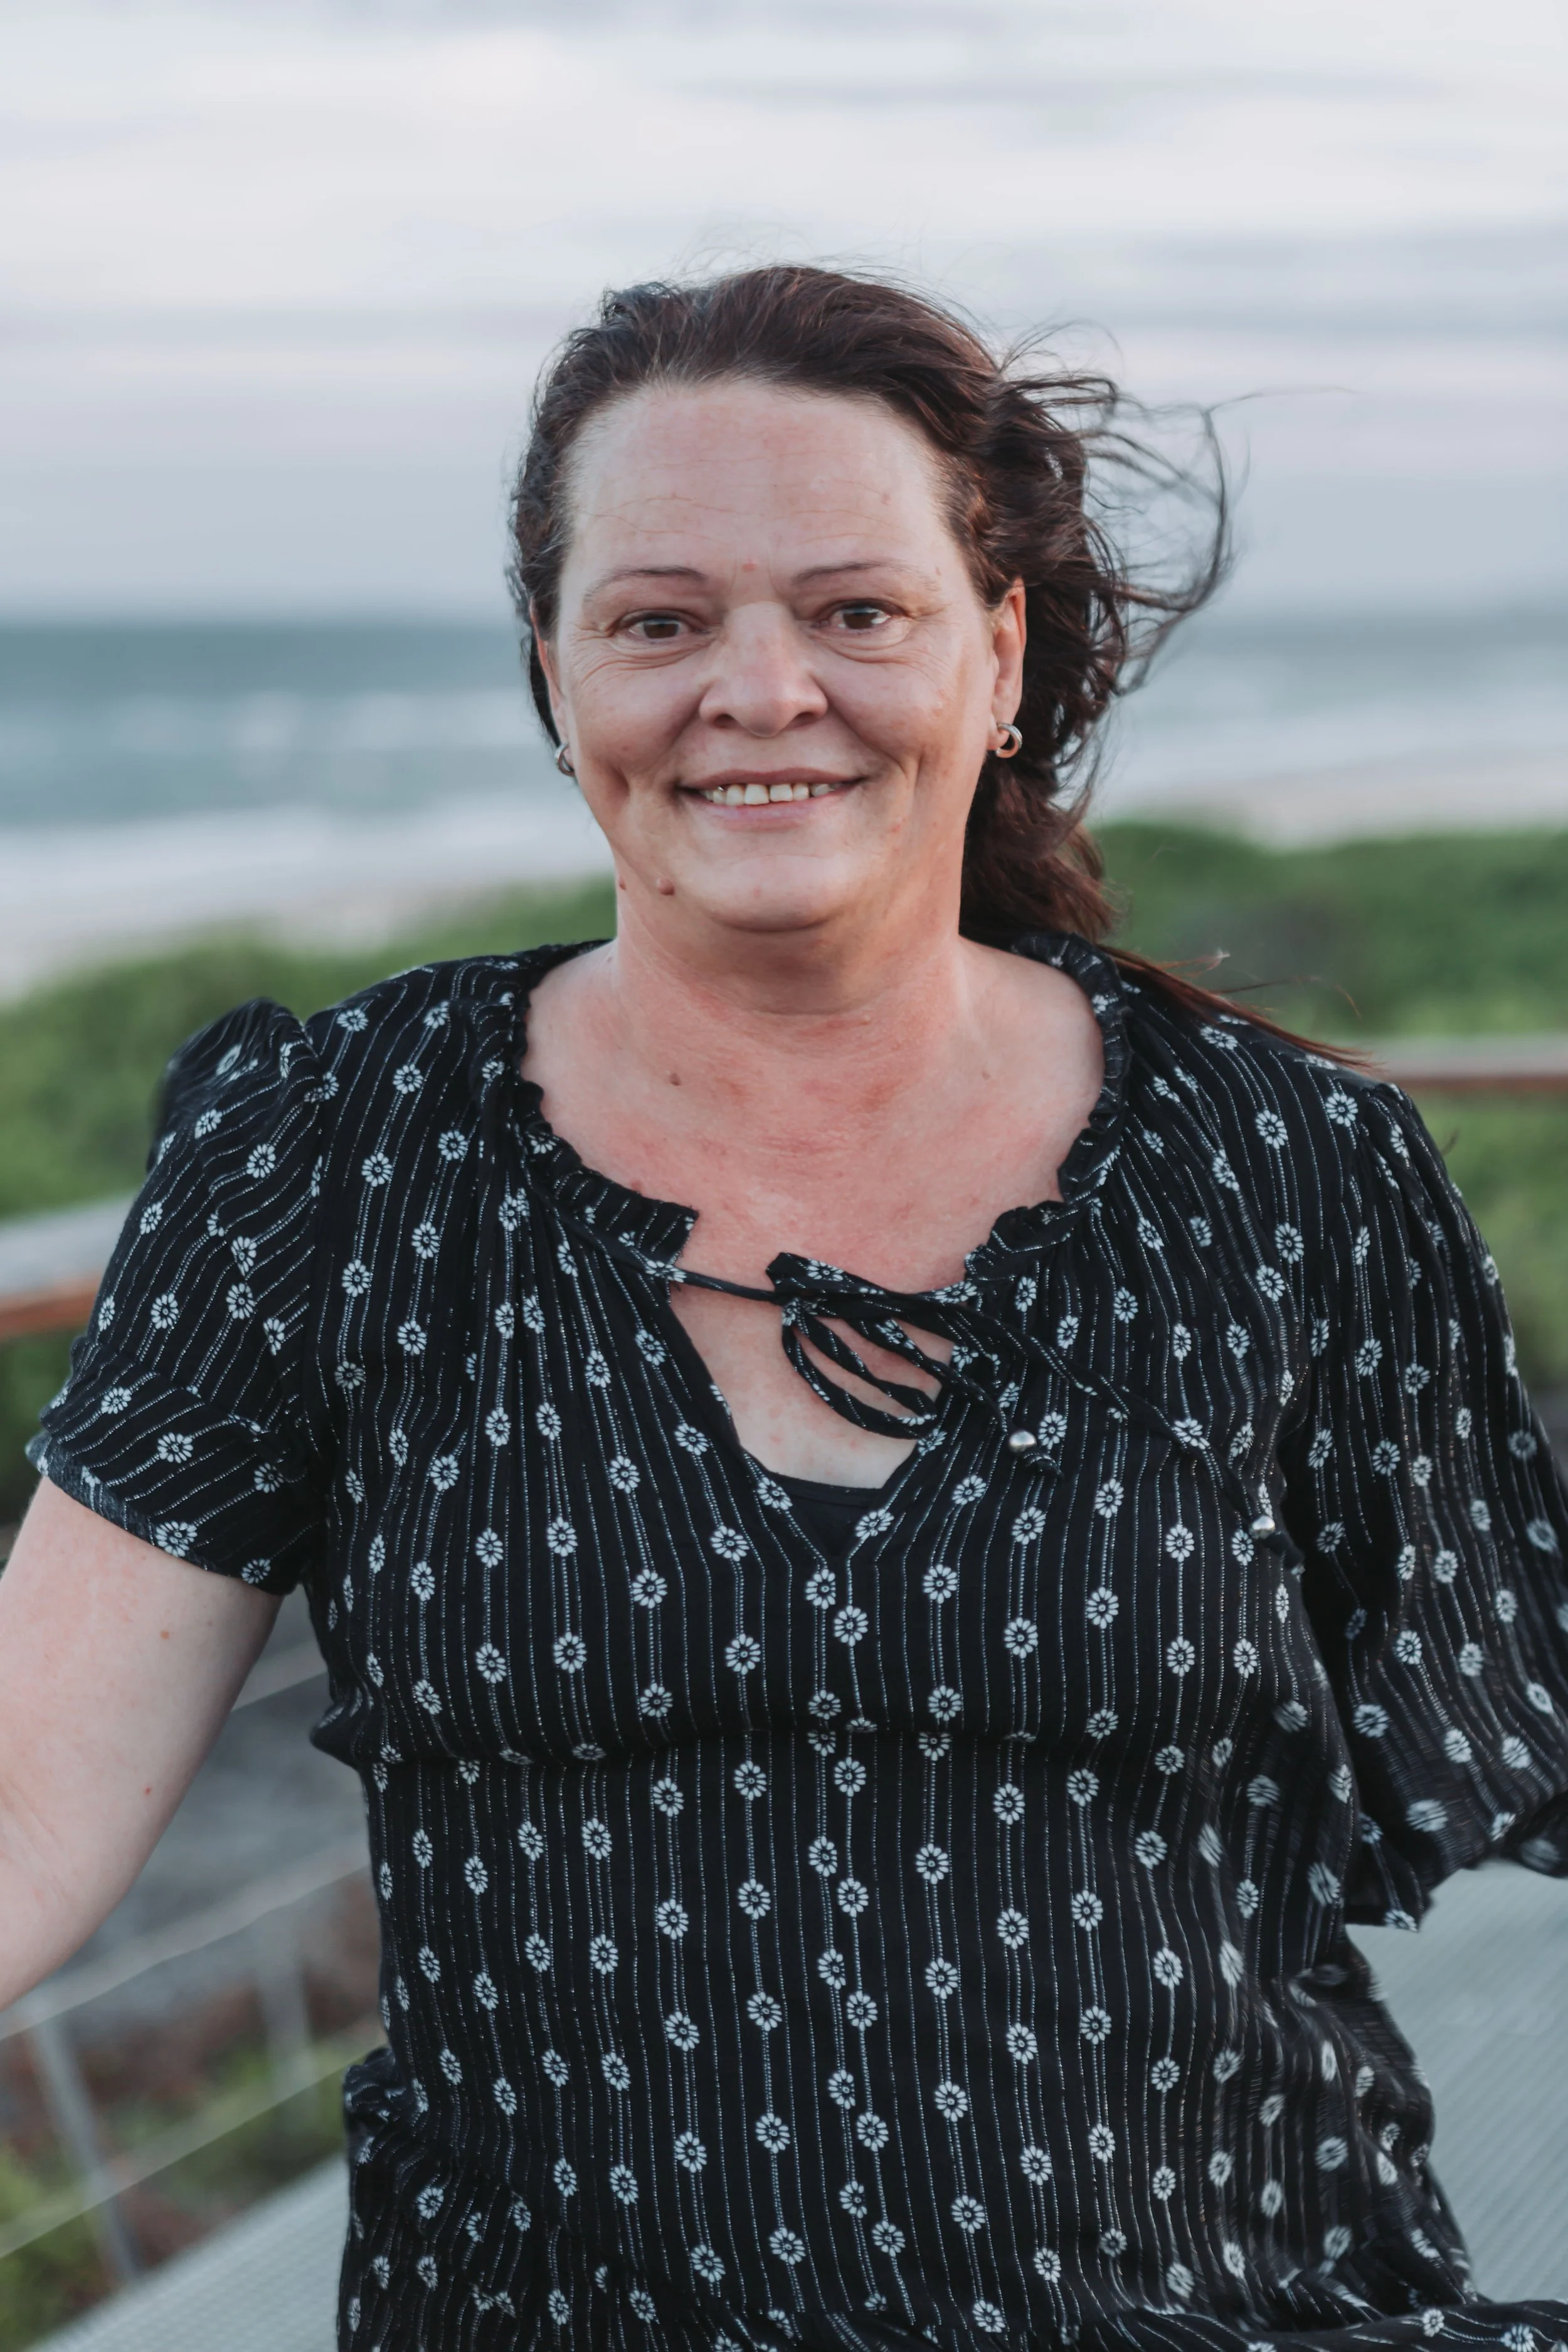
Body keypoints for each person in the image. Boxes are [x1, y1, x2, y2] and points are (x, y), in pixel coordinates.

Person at [2, 265, 1565, 2352]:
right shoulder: (330, 1154)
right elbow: (25, 1804)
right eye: (659, 621)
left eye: (856, 610)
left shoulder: (1296, 1172)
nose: (759, 690)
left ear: (994, 656)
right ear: (555, 674)